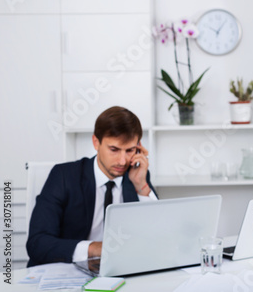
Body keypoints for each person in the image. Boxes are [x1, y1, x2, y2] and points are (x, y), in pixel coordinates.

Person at [27, 106, 158, 267]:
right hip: (69, 269)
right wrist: (94, 248)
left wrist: (142, 187)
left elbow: (157, 237)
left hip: (120, 270)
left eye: (130, 150)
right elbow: (37, 243)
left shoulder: (138, 176)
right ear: (96, 142)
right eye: (114, 150)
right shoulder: (64, 176)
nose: (123, 161)